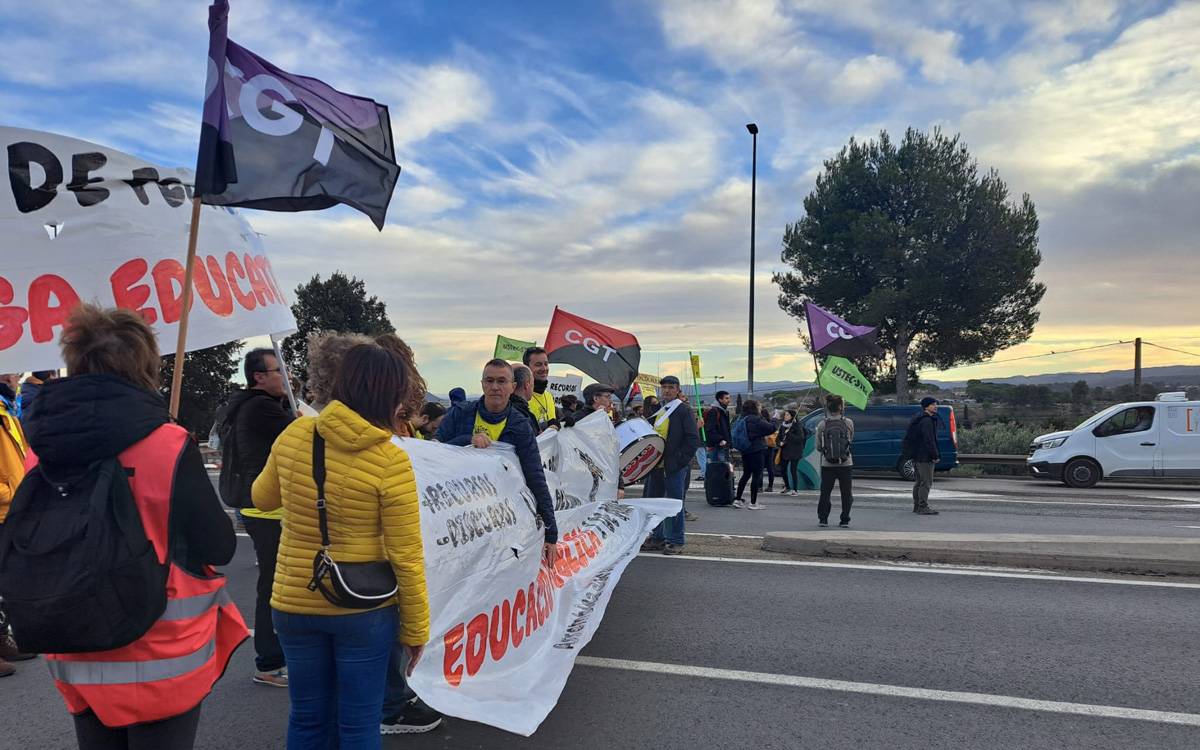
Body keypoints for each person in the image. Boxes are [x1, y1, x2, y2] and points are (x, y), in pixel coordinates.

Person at [24, 304, 244, 749]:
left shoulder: (40, 447)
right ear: (145, 364)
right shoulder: (168, 443)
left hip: (74, 645)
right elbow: (218, 545)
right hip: (159, 653)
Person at [253, 343, 431, 749]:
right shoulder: (391, 459)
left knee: (308, 717)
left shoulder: (296, 432)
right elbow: (406, 555)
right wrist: (416, 628)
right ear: (392, 395)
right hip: (362, 609)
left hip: (294, 600)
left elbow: (262, 498)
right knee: (358, 722)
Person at [221, 348, 295, 688]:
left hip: (261, 507)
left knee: (278, 584)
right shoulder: (262, 408)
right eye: (277, 369)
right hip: (268, 509)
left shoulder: (250, 406)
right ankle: (269, 661)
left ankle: (279, 656)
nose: (285, 375)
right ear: (259, 378)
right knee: (274, 587)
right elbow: (305, 435)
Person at [437, 360, 559, 564]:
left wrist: (551, 533)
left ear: (512, 387)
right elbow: (433, 453)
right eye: (490, 380)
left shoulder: (520, 425)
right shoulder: (459, 414)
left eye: (501, 381)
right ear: (482, 384)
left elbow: (535, 477)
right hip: (457, 515)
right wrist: (466, 441)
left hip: (500, 519)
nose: (495, 387)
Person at [640, 376, 701, 555]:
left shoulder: (684, 410)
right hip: (656, 466)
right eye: (664, 387)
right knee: (654, 504)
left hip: (674, 466)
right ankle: (657, 537)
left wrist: (679, 461)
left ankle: (676, 540)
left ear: (677, 389)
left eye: (670, 387)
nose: (666, 390)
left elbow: (692, 439)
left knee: (674, 504)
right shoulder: (660, 410)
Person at [0, 372, 33, 678]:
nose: (14, 377)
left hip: (10, 511)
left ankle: (2, 641)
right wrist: (10, 491)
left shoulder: (8, 411)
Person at [815, 394, 856, 527]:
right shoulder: (848, 422)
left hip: (827, 464)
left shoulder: (822, 424)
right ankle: (845, 519)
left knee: (825, 492)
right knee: (846, 492)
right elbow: (850, 440)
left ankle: (823, 519)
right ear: (840, 407)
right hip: (846, 463)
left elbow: (818, 446)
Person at [732, 400, 776, 509]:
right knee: (756, 475)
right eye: (759, 406)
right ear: (755, 408)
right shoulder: (756, 419)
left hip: (745, 450)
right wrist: (774, 418)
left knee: (746, 474)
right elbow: (771, 428)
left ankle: (737, 499)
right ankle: (753, 503)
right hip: (756, 450)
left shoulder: (742, 418)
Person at [905, 397, 942, 516]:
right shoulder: (927, 421)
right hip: (925, 456)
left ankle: (917, 506)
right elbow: (929, 440)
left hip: (917, 455)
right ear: (926, 407)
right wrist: (934, 455)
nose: (935, 406)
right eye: (933, 405)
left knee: (919, 482)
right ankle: (922, 506)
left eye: (936, 404)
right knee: (926, 482)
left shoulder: (919, 418)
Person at [522, 347, 559, 431]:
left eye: (546, 364)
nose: (544, 369)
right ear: (526, 368)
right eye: (538, 365)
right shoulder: (521, 397)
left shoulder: (549, 396)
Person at [775, 409, 807, 496]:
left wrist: (789, 434)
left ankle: (795, 489)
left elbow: (800, 439)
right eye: (785, 415)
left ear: (792, 416)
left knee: (793, 470)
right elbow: (778, 438)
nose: (785, 416)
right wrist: (779, 443)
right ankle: (787, 486)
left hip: (795, 451)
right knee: (783, 469)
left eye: (788, 415)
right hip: (785, 451)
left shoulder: (797, 426)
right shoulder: (782, 426)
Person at [704, 390, 733, 463]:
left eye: (729, 398)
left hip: (724, 445)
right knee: (719, 467)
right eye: (726, 398)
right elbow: (710, 429)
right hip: (717, 446)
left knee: (723, 468)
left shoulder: (723, 411)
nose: (729, 400)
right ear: (720, 399)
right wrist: (720, 440)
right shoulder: (714, 411)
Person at [761, 407, 779, 493]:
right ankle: (770, 486)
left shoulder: (761, 423)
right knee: (770, 467)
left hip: (762, 447)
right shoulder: (770, 424)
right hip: (771, 447)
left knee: (760, 468)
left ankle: (759, 487)